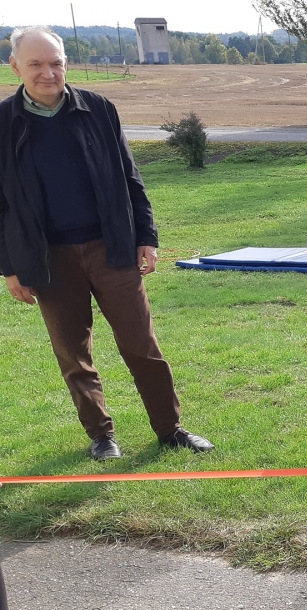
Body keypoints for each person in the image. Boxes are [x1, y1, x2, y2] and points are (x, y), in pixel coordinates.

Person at [0, 26, 212, 460]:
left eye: (55, 62)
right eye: (36, 64)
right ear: (15, 66)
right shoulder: (3, 123)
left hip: (111, 247)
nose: (48, 72)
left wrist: (146, 238)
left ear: (66, 63)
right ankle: (101, 435)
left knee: (142, 346)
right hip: (49, 260)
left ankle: (171, 429)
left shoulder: (97, 108)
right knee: (73, 354)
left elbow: (131, 178)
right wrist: (9, 267)